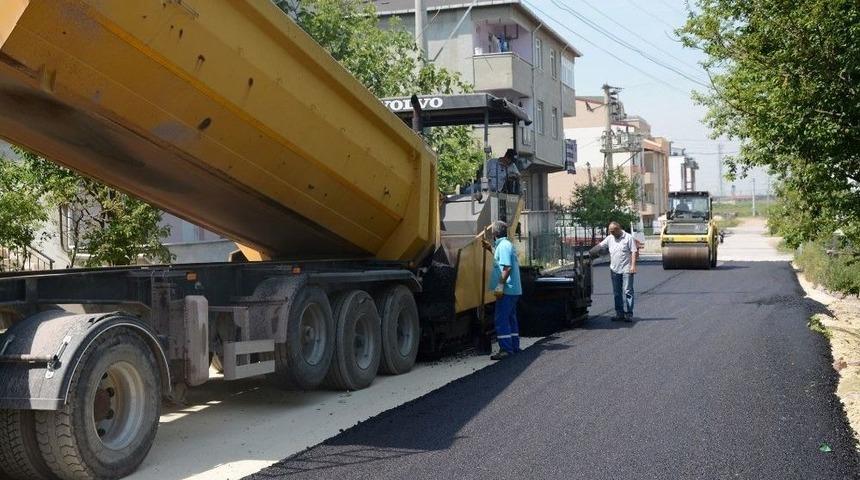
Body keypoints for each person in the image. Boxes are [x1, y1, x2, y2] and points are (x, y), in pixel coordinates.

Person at [590, 221, 638, 322]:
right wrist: (591, 252)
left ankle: (629, 314)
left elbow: (634, 251)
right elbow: (600, 246)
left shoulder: (628, 237)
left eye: (612, 231)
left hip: (627, 269)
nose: (611, 233)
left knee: (628, 291)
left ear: (618, 229)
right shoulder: (610, 238)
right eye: (610, 231)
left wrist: (633, 266)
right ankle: (619, 313)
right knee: (617, 293)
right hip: (614, 269)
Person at [487, 220, 522, 360]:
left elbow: (506, 267)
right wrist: (490, 249)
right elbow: (502, 261)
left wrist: (500, 286)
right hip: (514, 290)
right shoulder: (506, 245)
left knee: (501, 319)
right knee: (510, 318)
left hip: (507, 290)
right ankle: (514, 346)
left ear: (495, 233)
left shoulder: (503, 246)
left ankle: (506, 349)